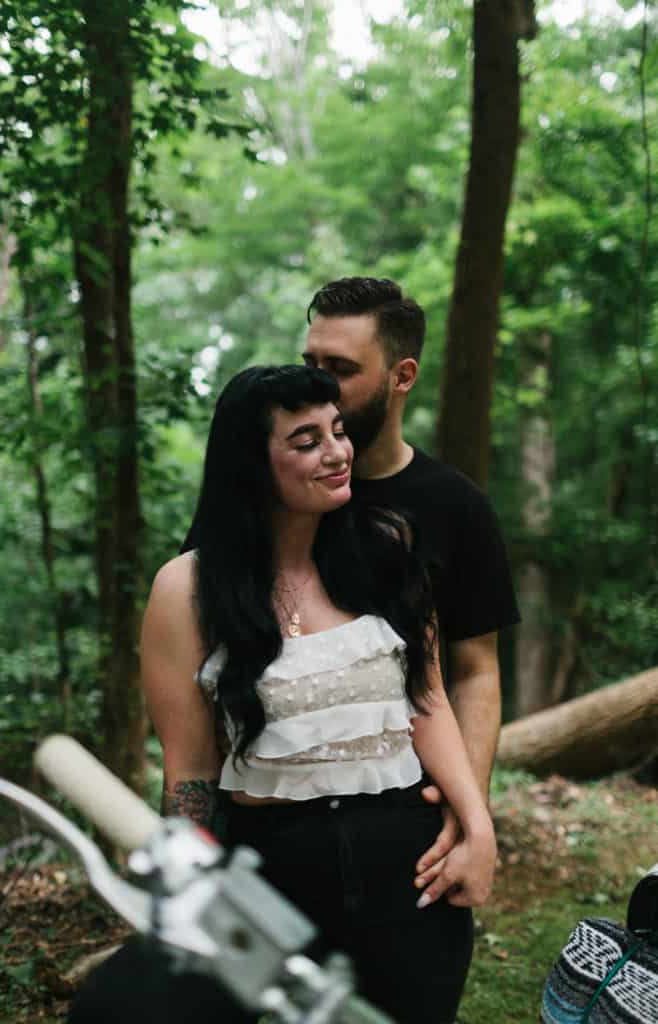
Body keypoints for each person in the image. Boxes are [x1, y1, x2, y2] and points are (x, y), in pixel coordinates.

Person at [74, 364, 496, 1024]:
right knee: (120, 1009)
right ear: (251, 463)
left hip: (405, 861)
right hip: (270, 861)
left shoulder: (387, 550)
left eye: (337, 431)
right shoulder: (186, 591)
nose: (337, 453)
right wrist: (181, 885)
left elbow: (430, 701)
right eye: (306, 441)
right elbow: (189, 768)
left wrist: (477, 826)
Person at [182, 277, 520, 891]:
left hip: (404, 817)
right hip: (270, 831)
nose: (316, 380)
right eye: (310, 360)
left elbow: (472, 672)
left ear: (402, 376)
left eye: (339, 368)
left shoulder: (454, 506)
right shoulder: (256, 503)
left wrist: (466, 809)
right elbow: (205, 668)